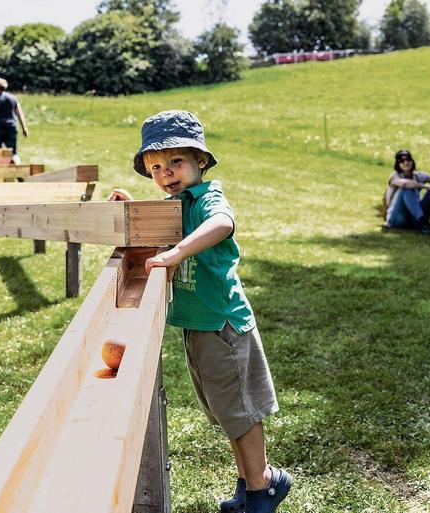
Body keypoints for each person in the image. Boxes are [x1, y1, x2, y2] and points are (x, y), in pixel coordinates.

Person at [107, 111, 292, 513]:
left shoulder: (207, 198)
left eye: (176, 162)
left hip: (223, 323)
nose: (166, 172)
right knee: (228, 412)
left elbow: (222, 224)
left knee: (241, 411)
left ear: (200, 161)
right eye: (156, 166)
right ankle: (251, 484)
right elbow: (157, 223)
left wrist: (174, 254)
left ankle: (262, 490)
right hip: (198, 325)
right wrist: (129, 205)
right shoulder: (177, 204)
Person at [383, 149, 430, 235]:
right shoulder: (394, 176)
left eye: (408, 159)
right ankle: (423, 223)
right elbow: (405, 183)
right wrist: (426, 186)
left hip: (414, 218)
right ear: (398, 164)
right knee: (406, 188)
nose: (406, 162)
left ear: (412, 161)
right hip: (397, 218)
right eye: (402, 161)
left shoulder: (418, 176)